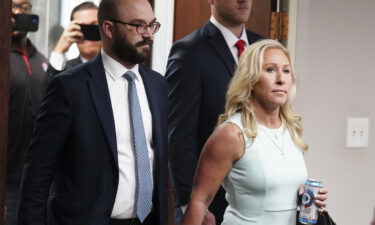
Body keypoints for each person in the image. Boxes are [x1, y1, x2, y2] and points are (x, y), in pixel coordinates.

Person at [17, 0, 167, 225]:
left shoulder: (158, 85)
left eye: (152, 25)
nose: (148, 35)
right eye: (138, 25)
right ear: (108, 28)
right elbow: (37, 176)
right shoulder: (69, 87)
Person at [181, 39, 328, 225]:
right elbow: (199, 200)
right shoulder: (232, 133)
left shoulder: (291, 128)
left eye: (286, 70)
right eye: (270, 70)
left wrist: (304, 198)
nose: (281, 79)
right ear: (250, 79)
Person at [165, 0, 262, 224]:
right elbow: (179, 135)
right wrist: (191, 203)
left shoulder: (263, 47)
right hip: (211, 200)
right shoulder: (189, 51)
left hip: (257, 197)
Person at [6, 0, 48, 225]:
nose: (15, 13)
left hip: (36, 177)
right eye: (10, 7)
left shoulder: (42, 59)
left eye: (22, 7)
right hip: (6, 177)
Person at [46, 1, 101, 77]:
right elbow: (47, 87)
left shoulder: (120, 65)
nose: (89, 32)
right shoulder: (64, 72)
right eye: (83, 28)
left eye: (94, 26)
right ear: (73, 31)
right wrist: (59, 50)